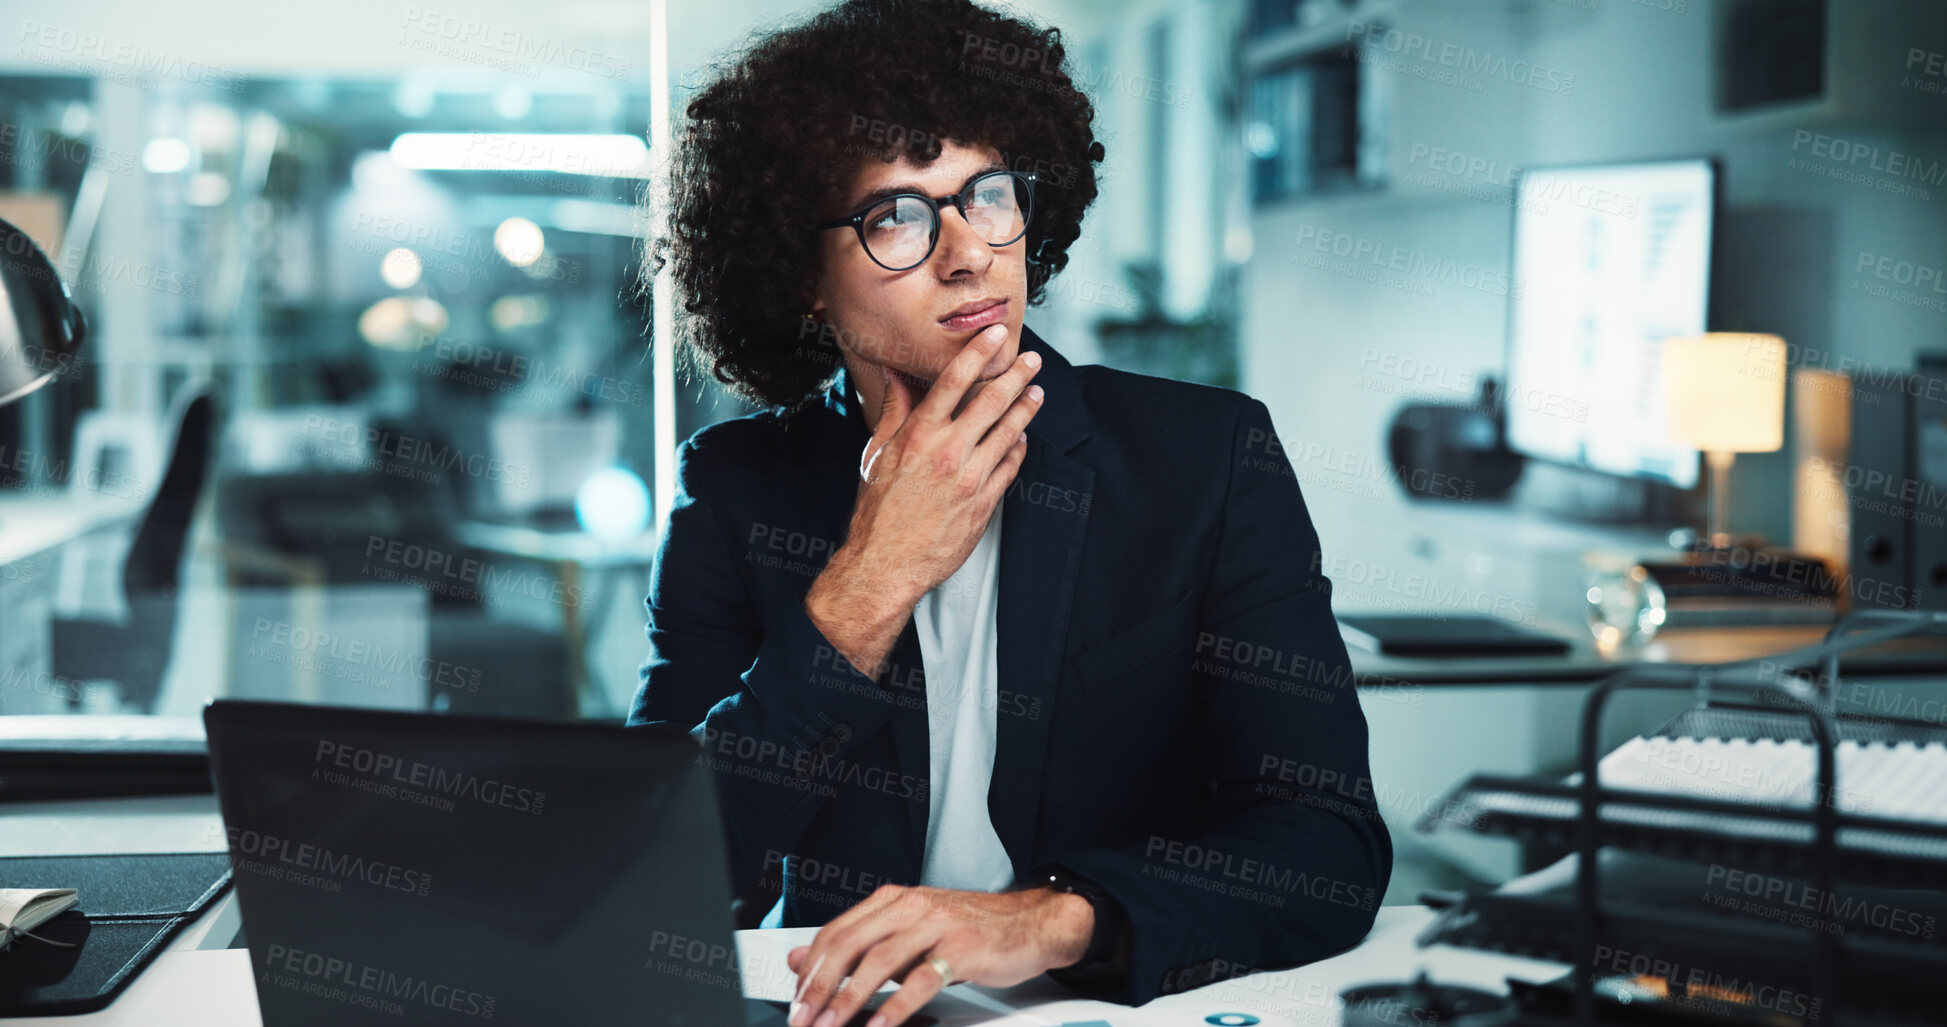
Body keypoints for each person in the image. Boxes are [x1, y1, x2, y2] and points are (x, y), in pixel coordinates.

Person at [627, 2, 1392, 1025]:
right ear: (803, 282)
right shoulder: (735, 487)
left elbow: (1327, 845)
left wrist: (1048, 918)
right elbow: (664, 873)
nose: (966, 253)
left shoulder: (1201, 459)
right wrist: (872, 578)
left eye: (986, 196)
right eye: (895, 216)